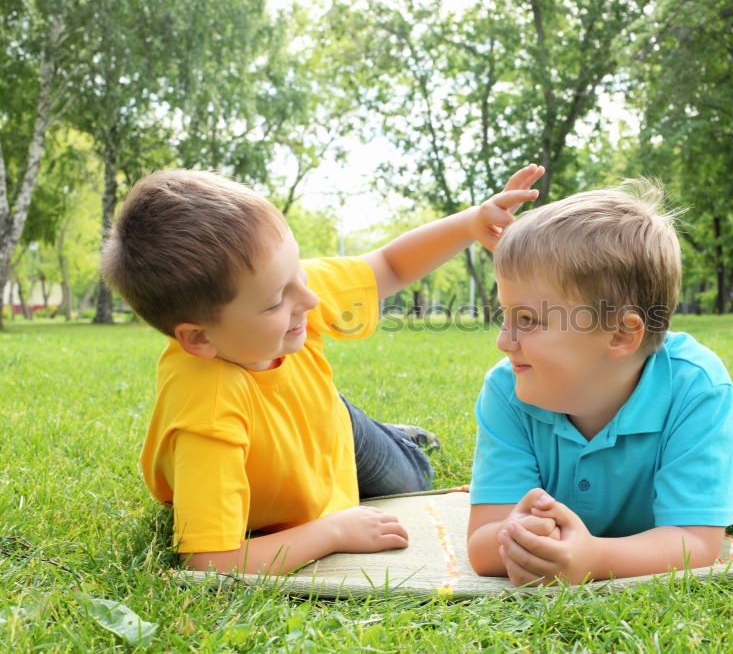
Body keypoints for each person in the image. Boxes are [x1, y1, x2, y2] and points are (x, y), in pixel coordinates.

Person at [100, 165, 543, 575]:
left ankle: (394, 434)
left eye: (299, 272)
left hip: (326, 421)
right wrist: (331, 532)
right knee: (397, 490)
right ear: (199, 338)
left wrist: (468, 223)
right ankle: (390, 435)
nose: (308, 301)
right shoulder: (207, 413)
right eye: (276, 301)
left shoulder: (288, 286)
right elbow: (210, 561)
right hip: (279, 446)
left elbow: (387, 266)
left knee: (411, 476)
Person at [466, 180, 733, 586]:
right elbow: (482, 540)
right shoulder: (507, 392)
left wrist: (594, 558)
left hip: (725, 441)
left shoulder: (697, 390)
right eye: (506, 315)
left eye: (527, 320)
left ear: (620, 335)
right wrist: (521, 538)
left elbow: (696, 543)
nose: (503, 340)